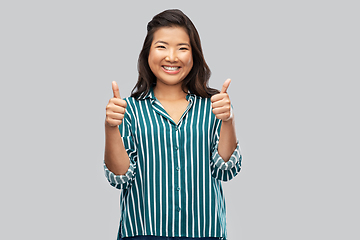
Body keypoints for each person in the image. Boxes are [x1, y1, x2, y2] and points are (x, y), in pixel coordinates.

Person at [104, 9, 242, 240]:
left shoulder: (213, 107)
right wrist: (110, 127)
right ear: (147, 54)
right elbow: (120, 177)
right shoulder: (128, 109)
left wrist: (228, 121)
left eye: (182, 48)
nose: (171, 56)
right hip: (144, 233)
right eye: (162, 46)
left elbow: (226, 170)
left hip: (204, 232)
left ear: (194, 55)